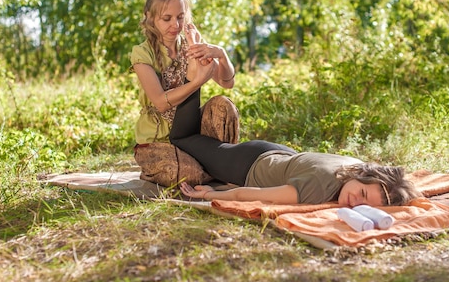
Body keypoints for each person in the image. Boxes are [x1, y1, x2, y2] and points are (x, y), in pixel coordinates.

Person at [172, 84, 421, 206]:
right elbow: (253, 195)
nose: (357, 202)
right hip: (247, 165)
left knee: (202, 144)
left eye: (367, 205)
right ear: (364, 178)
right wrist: (213, 194)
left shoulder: (356, 166)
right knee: (182, 138)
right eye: (363, 193)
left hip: (281, 156)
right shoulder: (318, 187)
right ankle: (191, 76)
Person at [129, 0, 239, 186]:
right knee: (191, 176)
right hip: (157, 140)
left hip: (192, 134)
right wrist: (196, 81)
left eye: (180, 17)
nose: (175, 25)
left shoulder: (191, 43)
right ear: (150, 17)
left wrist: (222, 55)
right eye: (167, 19)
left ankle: (213, 165)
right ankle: (206, 168)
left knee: (224, 105)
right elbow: (161, 103)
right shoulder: (142, 53)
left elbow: (226, 82)